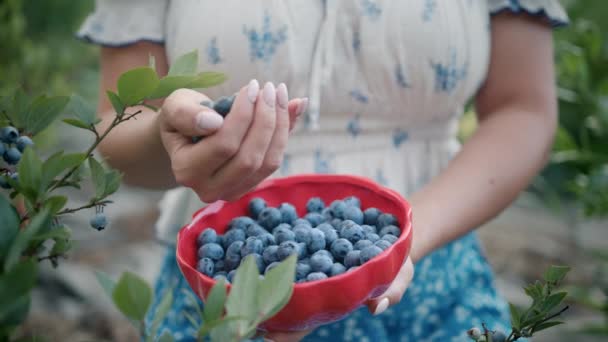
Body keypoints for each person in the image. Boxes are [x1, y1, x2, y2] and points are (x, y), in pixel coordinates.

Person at [77, 0, 568, 341]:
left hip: (433, 278)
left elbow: (522, 108)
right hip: (225, 289)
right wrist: (170, 135)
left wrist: (404, 241)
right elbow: (119, 121)